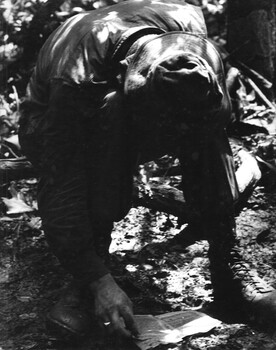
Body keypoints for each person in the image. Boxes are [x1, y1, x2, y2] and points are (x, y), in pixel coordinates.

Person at [19, 0, 276, 340]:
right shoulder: (76, 80)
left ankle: (228, 265)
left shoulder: (187, 29)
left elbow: (208, 113)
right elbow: (62, 187)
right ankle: (89, 275)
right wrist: (99, 281)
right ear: (127, 71)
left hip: (137, 104)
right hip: (51, 121)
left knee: (206, 132)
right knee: (106, 124)